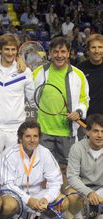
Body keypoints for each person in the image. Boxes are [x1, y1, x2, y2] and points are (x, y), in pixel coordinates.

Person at [33, 36, 89, 187]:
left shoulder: (78, 75)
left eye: (63, 51)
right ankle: (46, 206)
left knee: (67, 173)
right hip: (44, 132)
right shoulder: (38, 72)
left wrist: (78, 111)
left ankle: (66, 206)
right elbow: (29, 95)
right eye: (55, 51)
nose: (59, 55)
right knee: (44, 172)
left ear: (69, 53)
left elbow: (85, 99)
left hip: (68, 134)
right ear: (50, 53)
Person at [0, 120, 62, 219]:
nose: (32, 140)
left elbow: (56, 181)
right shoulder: (9, 154)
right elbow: (7, 185)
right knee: (8, 205)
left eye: (35, 136)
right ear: (20, 138)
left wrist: (46, 199)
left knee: (60, 201)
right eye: (28, 136)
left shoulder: (45, 153)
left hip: (37, 195)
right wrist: (28, 200)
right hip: (14, 195)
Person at [0, 33, 35, 166]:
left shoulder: (25, 72)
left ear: (17, 52)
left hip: (16, 128)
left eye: (13, 49)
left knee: (16, 167)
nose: (10, 53)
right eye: (6, 49)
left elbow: (33, 99)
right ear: (0, 50)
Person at [67, 113, 103, 219]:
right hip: (82, 188)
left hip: (101, 188)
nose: (100, 135)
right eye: (96, 131)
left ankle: (101, 218)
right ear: (87, 131)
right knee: (71, 195)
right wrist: (88, 192)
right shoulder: (76, 148)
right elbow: (72, 177)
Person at [77, 34, 103, 118]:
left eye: (100, 47)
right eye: (93, 47)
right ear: (88, 50)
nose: (97, 51)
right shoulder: (80, 69)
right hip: (86, 119)